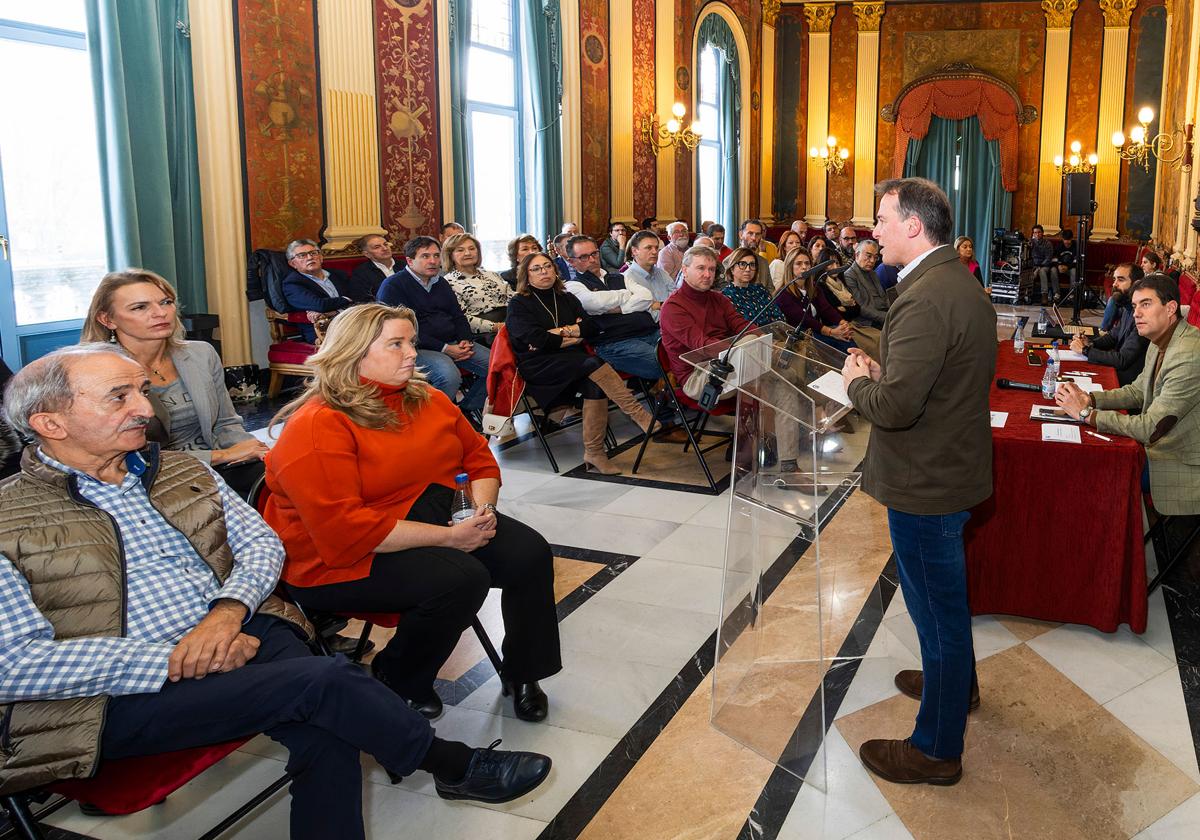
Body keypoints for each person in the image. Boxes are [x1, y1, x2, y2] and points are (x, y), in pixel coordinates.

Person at [0, 344, 552, 840]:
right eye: (118, 396)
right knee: (326, 684)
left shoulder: (172, 471)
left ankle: (438, 761)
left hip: (240, 628)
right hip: (115, 693)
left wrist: (226, 614)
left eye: (142, 391)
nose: (146, 408)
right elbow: (14, 665)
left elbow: (261, 545)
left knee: (327, 716)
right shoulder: (7, 517)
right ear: (49, 422)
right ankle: (450, 764)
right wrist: (172, 659)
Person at [264, 304, 562, 723]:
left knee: (529, 554)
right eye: (397, 344)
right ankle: (399, 675)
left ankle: (525, 672)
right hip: (336, 556)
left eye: (411, 341)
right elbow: (343, 529)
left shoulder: (427, 398)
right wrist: (452, 538)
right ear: (354, 352)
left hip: (425, 513)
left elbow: (480, 461)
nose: (412, 354)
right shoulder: (318, 424)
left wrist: (480, 513)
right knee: (458, 579)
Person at [842, 177, 997, 786]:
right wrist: (889, 372)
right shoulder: (953, 280)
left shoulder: (925, 296)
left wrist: (859, 382)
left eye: (881, 219)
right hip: (949, 465)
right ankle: (954, 686)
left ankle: (936, 748)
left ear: (913, 225)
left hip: (926, 479)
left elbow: (897, 408)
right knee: (944, 607)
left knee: (937, 612)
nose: (872, 231)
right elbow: (931, 378)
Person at [78, 269, 269, 499]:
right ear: (107, 319)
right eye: (140, 307)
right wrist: (221, 455)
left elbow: (226, 422)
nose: (160, 313)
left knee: (284, 481)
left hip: (217, 466)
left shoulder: (201, 353)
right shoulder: (98, 373)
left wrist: (257, 451)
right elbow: (122, 455)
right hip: (148, 477)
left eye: (166, 302)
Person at [1056, 274, 1200, 510]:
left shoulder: (1189, 354)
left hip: (1178, 462)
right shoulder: (1161, 338)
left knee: (1087, 467)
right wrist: (1089, 398)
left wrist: (1086, 414)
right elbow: (1137, 391)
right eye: (1134, 306)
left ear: (1171, 307)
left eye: (1146, 304)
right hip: (1161, 448)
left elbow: (1150, 428)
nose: (1136, 314)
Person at [506, 252, 655, 473]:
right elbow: (534, 340)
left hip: (571, 359)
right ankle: (637, 413)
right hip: (538, 365)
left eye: (547, 266)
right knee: (592, 363)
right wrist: (572, 334)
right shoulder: (520, 303)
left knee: (594, 385)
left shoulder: (566, 297)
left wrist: (561, 335)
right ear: (526, 276)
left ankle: (594, 453)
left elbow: (591, 328)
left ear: (555, 271)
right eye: (536, 269)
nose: (544, 271)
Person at [377, 236, 491, 414]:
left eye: (436, 256)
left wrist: (465, 340)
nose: (433, 261)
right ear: (409, 260)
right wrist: (445, 348)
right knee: (449, 376)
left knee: (499, 367)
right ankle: (431, 419)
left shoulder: (441, 282)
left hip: (454, 341)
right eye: (425, 256)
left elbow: (457, 315)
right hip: (415, 347)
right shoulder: (393, 285)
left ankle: (464, 412)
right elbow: (401, 331)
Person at [562, 235, 662, 381]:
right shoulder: (573, 286)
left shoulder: (619, 277)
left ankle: (666, 391)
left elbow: (646, 297)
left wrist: (619, 308)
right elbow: (595, 303)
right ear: (571, 262)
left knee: (683, 351)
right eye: (584, 257)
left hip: (649, 330)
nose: (592, 259)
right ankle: (667, 394)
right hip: (615, 342)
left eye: (594, 254)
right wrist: (627, 294)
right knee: (663, 361)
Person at [660, 245, 751, 392]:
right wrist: (745, 355)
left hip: (725, 361)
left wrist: (769, 342)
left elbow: (741, 325)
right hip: (696, 375)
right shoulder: (673, 307)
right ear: (684, 270)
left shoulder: (719, 298)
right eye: (701, 268)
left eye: (712, 269)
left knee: (755, 342)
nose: (708, 275)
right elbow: (703, 345)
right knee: (768, 378)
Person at [1070, 264, 1148, 385]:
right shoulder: (1127, 308)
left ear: (1136, 284)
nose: (1114, 284)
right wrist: (1090, 343)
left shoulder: (1142, 316)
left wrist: (1085, 350)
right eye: (1114, 279)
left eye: (1121, 280)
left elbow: (1122, 360)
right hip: (1116, 371)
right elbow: (1112, 337)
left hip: (1126, 382)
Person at [282, 239, 370, 342]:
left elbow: (361, 297)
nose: (310, 257)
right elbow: (319, 305)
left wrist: (335, 311)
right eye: (302, 255)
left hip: (354, 322)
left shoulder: (339, 275)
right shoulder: (292, 283)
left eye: (313, 253)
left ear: (321, 257)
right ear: (293, 264)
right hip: (324, 330)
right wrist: (346, 299)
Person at [775, 246, 855, 352]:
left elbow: (826, 309)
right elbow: (806, 320)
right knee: (842, 345)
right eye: (798, 263)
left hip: (817, 331)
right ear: (790, 267)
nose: (804, 267)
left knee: (848, 340)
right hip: (801, 338)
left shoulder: (814, 287)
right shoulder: (783, 294)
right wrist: (832, 332)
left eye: (807, 263)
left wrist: (842, 323)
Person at [442, 232, 513, 345]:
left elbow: (512, 298)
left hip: (510, 321)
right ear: (450, 255)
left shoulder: (492, 274)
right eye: (460, 250)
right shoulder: (448, 282)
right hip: (484, 333)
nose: (467, 253)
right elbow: (461, 318)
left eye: (472, 248)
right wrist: (497, 327)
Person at [723, 246, 785, 326]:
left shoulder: (760, 289)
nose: (748, 269)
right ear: (732, 268)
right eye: (742, 264)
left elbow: (779, 317)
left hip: (772, 336)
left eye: (752, 265)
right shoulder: (725, 296)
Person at [624, 229, 676, 304]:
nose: (655, 252)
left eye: (656, 248)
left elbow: (676, 301)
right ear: (634, 251)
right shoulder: (627, 279)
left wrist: (659, 306)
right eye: (648, 248)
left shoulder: (662, 274)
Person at [350, 234, 396, 299]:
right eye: (377, 247)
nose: (385, 248)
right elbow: (364, 301)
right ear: (367, 254)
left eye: (385, 244)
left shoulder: (407, 265)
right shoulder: (361, 273)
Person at [1028, 224, 1056, 305]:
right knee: (1025, 272)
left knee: (1042, 272)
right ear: (1033, 234)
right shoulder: (1030, 242)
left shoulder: (1048, 243)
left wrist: (1038, 268)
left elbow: (1048, 258)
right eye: (1035, 233)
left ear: (1042, 233)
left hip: (1044, 266)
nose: (1037, 234)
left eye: (1039, 232)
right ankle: (1027, 295)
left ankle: (1044, 295)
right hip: (1033, 265)